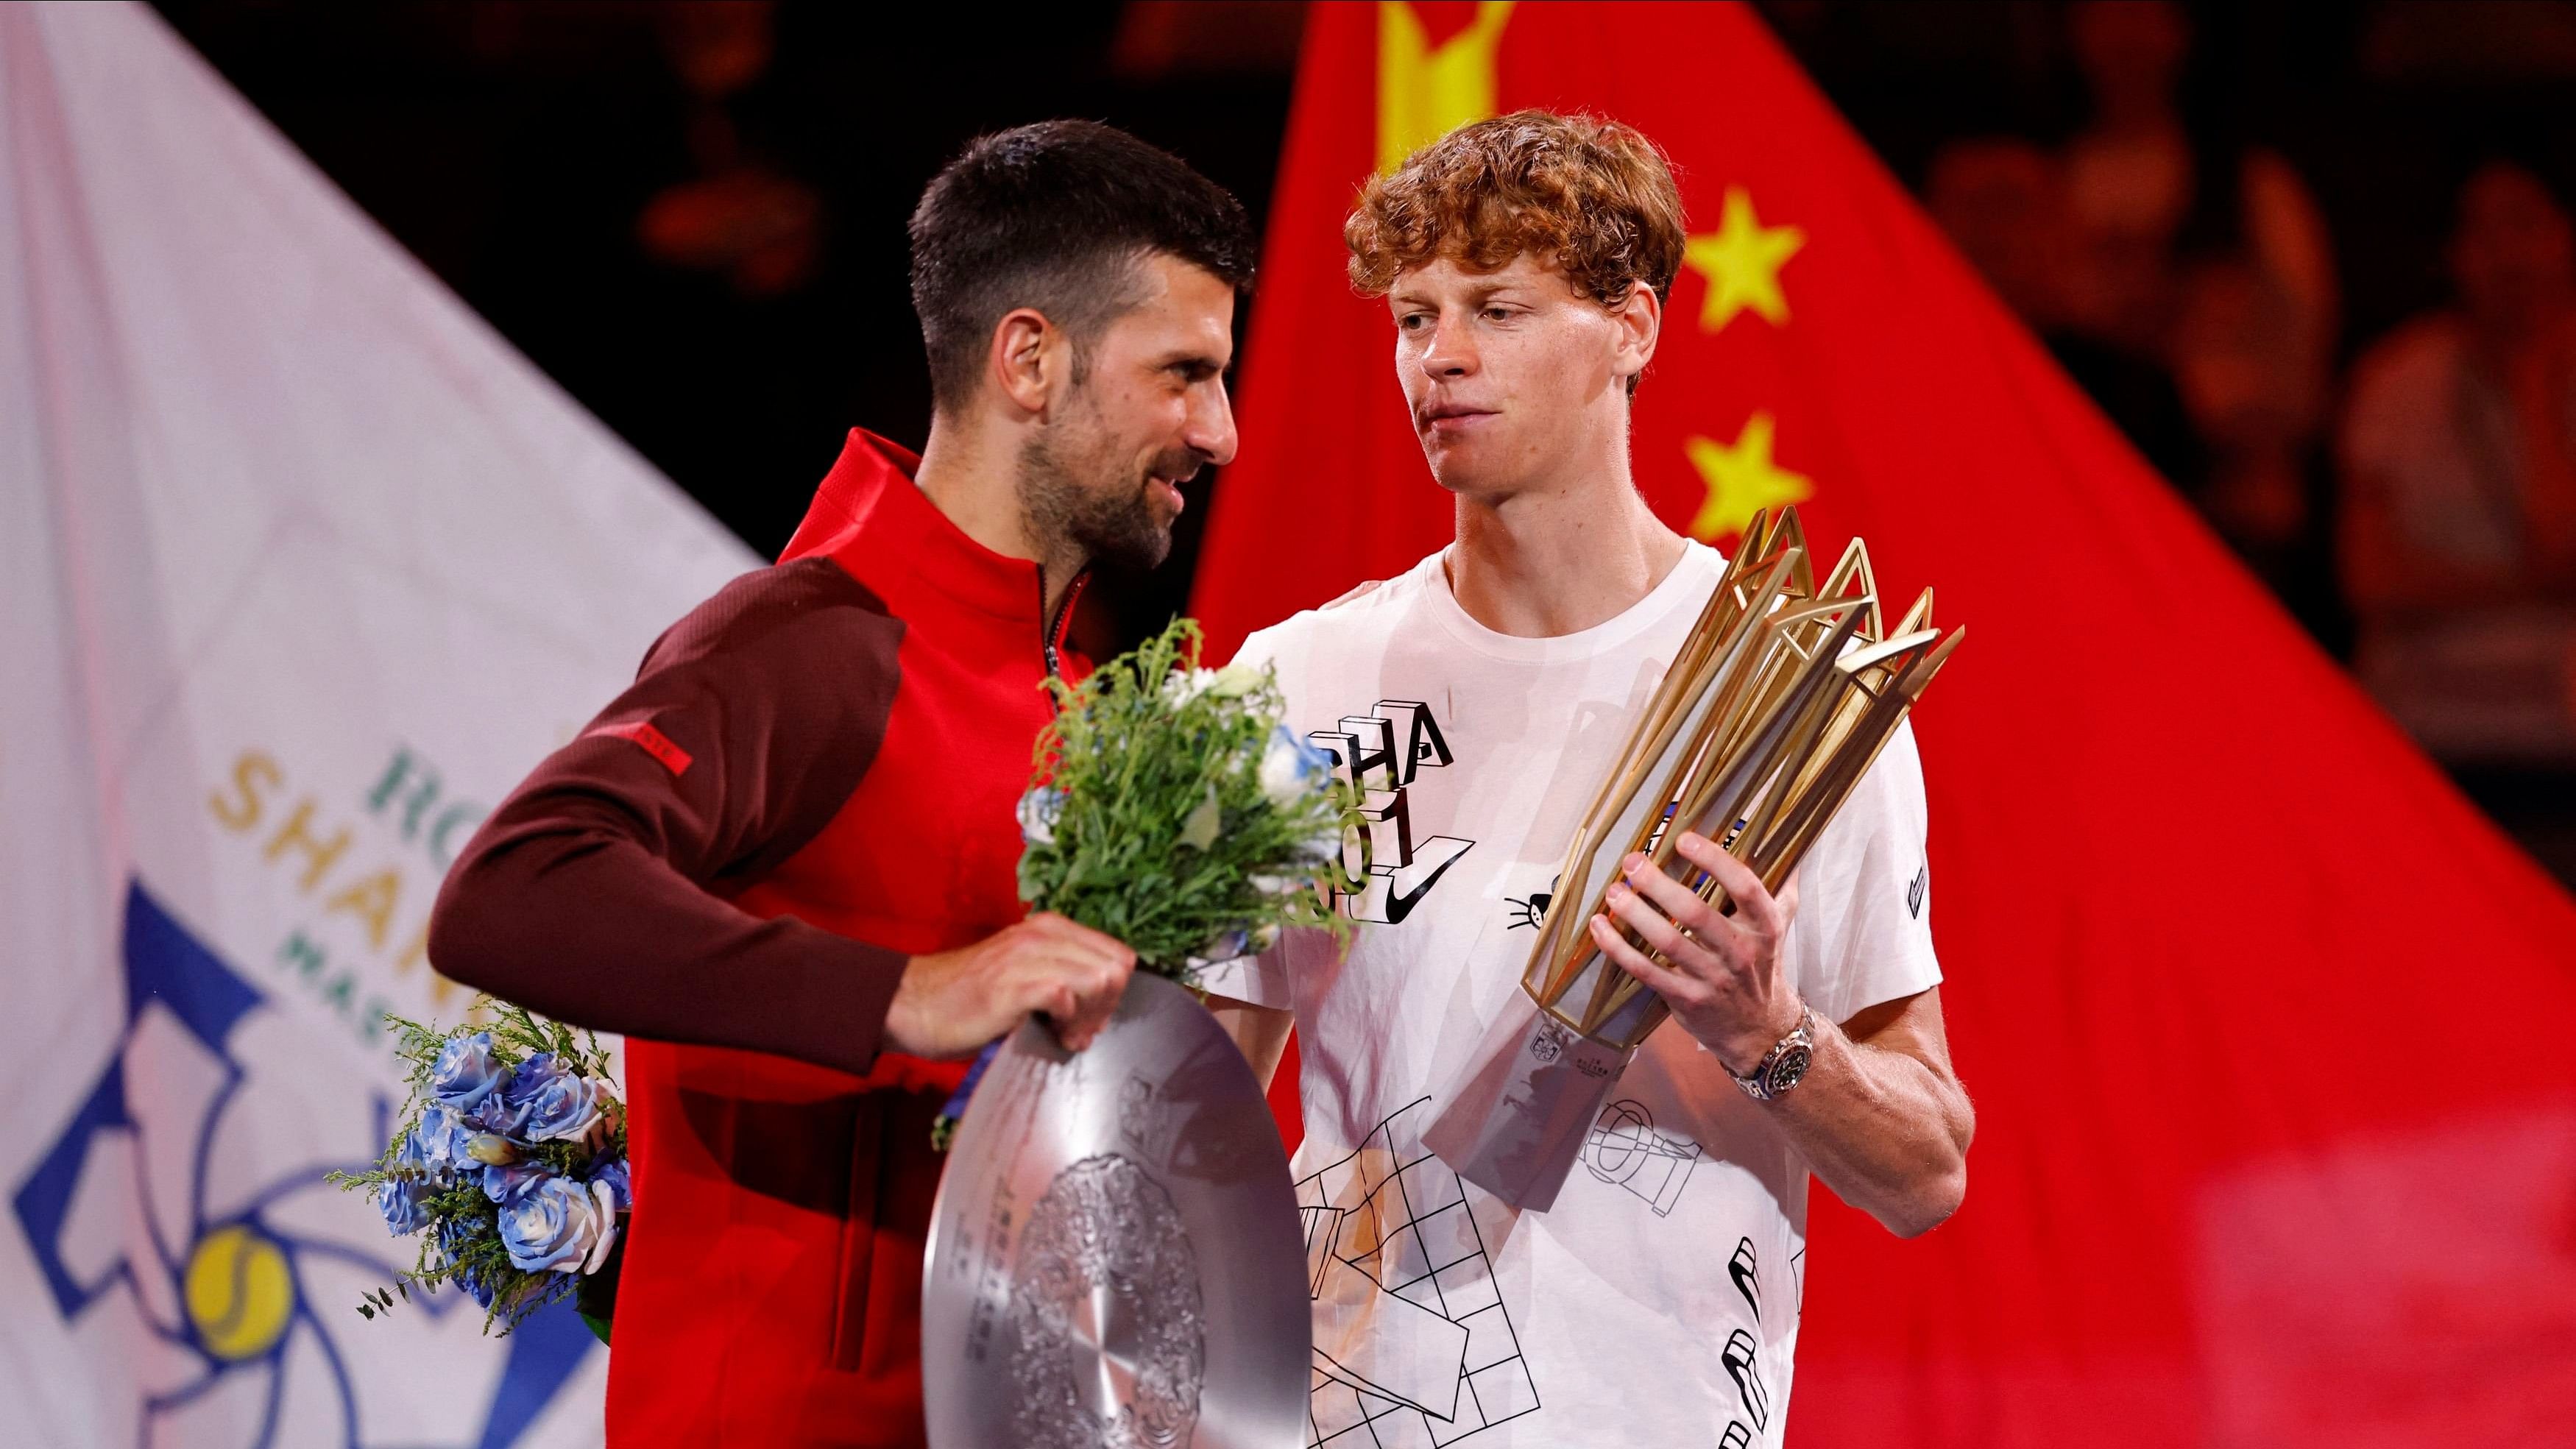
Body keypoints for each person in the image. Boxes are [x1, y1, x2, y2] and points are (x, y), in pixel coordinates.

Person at [428, 119, 1254, 1446]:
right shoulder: (813, 642)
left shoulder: (1084, 704)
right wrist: (912, 991)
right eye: (1184, 374)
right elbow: (511, 887)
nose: (1219, 431)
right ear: (1030, 360)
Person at [1199, 112, 1974, 1448]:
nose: (1439, 357)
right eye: (1412, 317)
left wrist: (1765, 1026)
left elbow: (1928, 1170)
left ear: (1634, 327)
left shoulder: (1795, 707)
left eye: (1496, 308)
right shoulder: (1297, 682)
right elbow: (1194, 1118)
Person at [2338, 159, 2576, 762]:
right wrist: (2531, 589)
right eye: (2482, 234)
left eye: (2525, 224)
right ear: (2452, 254)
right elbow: (2372, 576)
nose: (2507, 256)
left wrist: (2534, 384)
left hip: (2559, 733)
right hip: (2423, 731)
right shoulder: (2397, 378)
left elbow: (2560, 546)